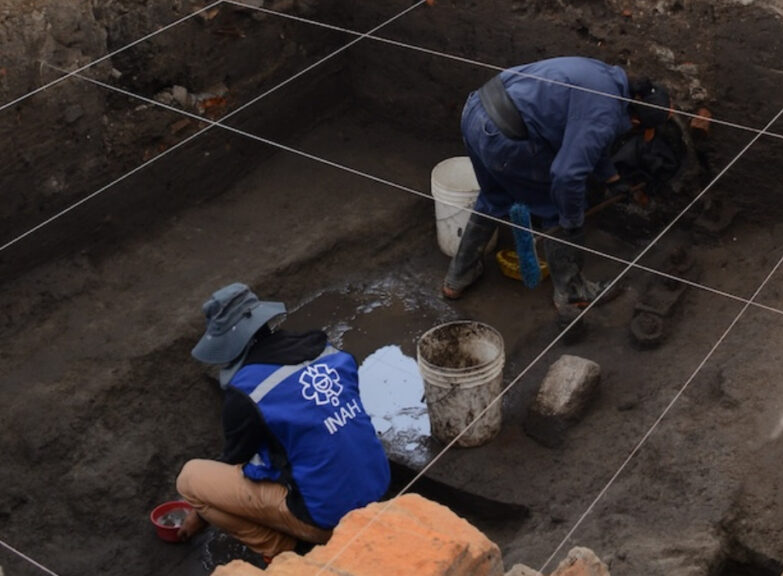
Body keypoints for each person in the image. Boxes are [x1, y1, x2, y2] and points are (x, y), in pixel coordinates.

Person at [442, 56, 671, 319]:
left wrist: (612, 179)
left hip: (477, 112)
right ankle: (572, 293)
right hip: (507, 140)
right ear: (636, 123)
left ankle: (458, 277)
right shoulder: (605, 114)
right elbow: (567, 175)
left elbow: (586, 135)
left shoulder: (603, 77)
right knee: (555, 209)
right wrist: (571, 220)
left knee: (494, 198)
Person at [174, 282, 390, 560]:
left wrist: (198, 515)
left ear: (226, 344)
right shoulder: (329, 352)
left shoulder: (247, 392)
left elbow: (236, 459)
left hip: (328, 519)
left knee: (191, 480)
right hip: (377, 490)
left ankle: (279, 552)